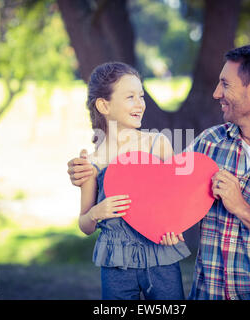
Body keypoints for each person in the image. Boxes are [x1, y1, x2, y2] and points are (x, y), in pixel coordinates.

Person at [68, 45, 250, 300]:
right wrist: (87, 177)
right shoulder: (209, 144)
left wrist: (241, 207)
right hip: (211, 292)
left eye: (225, 84)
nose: (216, 93)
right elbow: (169, 186)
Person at [76, 62, 190, 300]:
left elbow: (177, 199)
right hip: (116, 262)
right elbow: (85, 225)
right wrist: (97, 212)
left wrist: (174, 227)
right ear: (104, 105)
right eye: (130, 97)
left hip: (161, 254)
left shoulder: (157, 144)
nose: (140, 103)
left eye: (141, 96)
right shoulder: (93, 161)